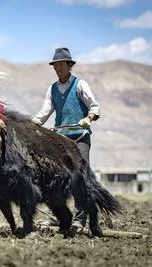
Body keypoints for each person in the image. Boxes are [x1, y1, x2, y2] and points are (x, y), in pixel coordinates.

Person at [33, 47, 100, 229]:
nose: (58, 68)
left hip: (80, 139)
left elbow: (95, 108)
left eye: (62, 64)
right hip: (60, 141)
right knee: (56, 179)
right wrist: (31, 125)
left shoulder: (80, 85)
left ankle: (79, 220)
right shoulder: (52, 89)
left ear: (69, 65)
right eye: (56, 65)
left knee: (80, 179)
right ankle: (59, 217)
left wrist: (88, 119)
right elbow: (45, 112)